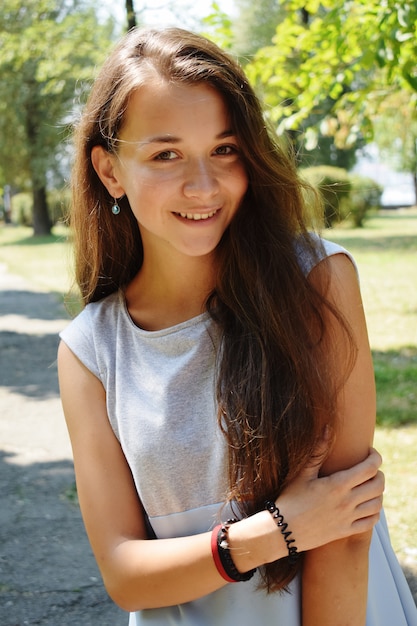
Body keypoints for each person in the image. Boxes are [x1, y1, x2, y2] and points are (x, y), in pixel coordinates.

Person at [58, 27, 417, 626]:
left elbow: (347, 530)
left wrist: (298, 529)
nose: (203, 186)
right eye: (165, 154)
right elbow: (123, 573)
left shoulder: (318, 280)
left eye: (224, 149)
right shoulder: (91, 351)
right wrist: (275, 532)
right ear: (110, 170)